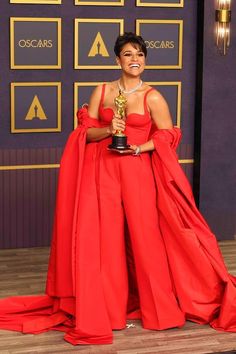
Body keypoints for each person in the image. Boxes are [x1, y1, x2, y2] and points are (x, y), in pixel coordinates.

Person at [0, 32, 236, 346]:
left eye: (139, 54)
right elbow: (87, 133)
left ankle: (159, 311)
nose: (134, 60)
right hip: (104, 173)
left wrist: (140, 148)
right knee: (106, 243)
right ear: (117, 59)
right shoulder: (101, 91)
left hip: (139, 173)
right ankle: (110, 312)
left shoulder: (152, 96)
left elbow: (168, 136)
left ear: (145, 60)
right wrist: (110, 128)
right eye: (128, 54)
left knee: (145, 240)